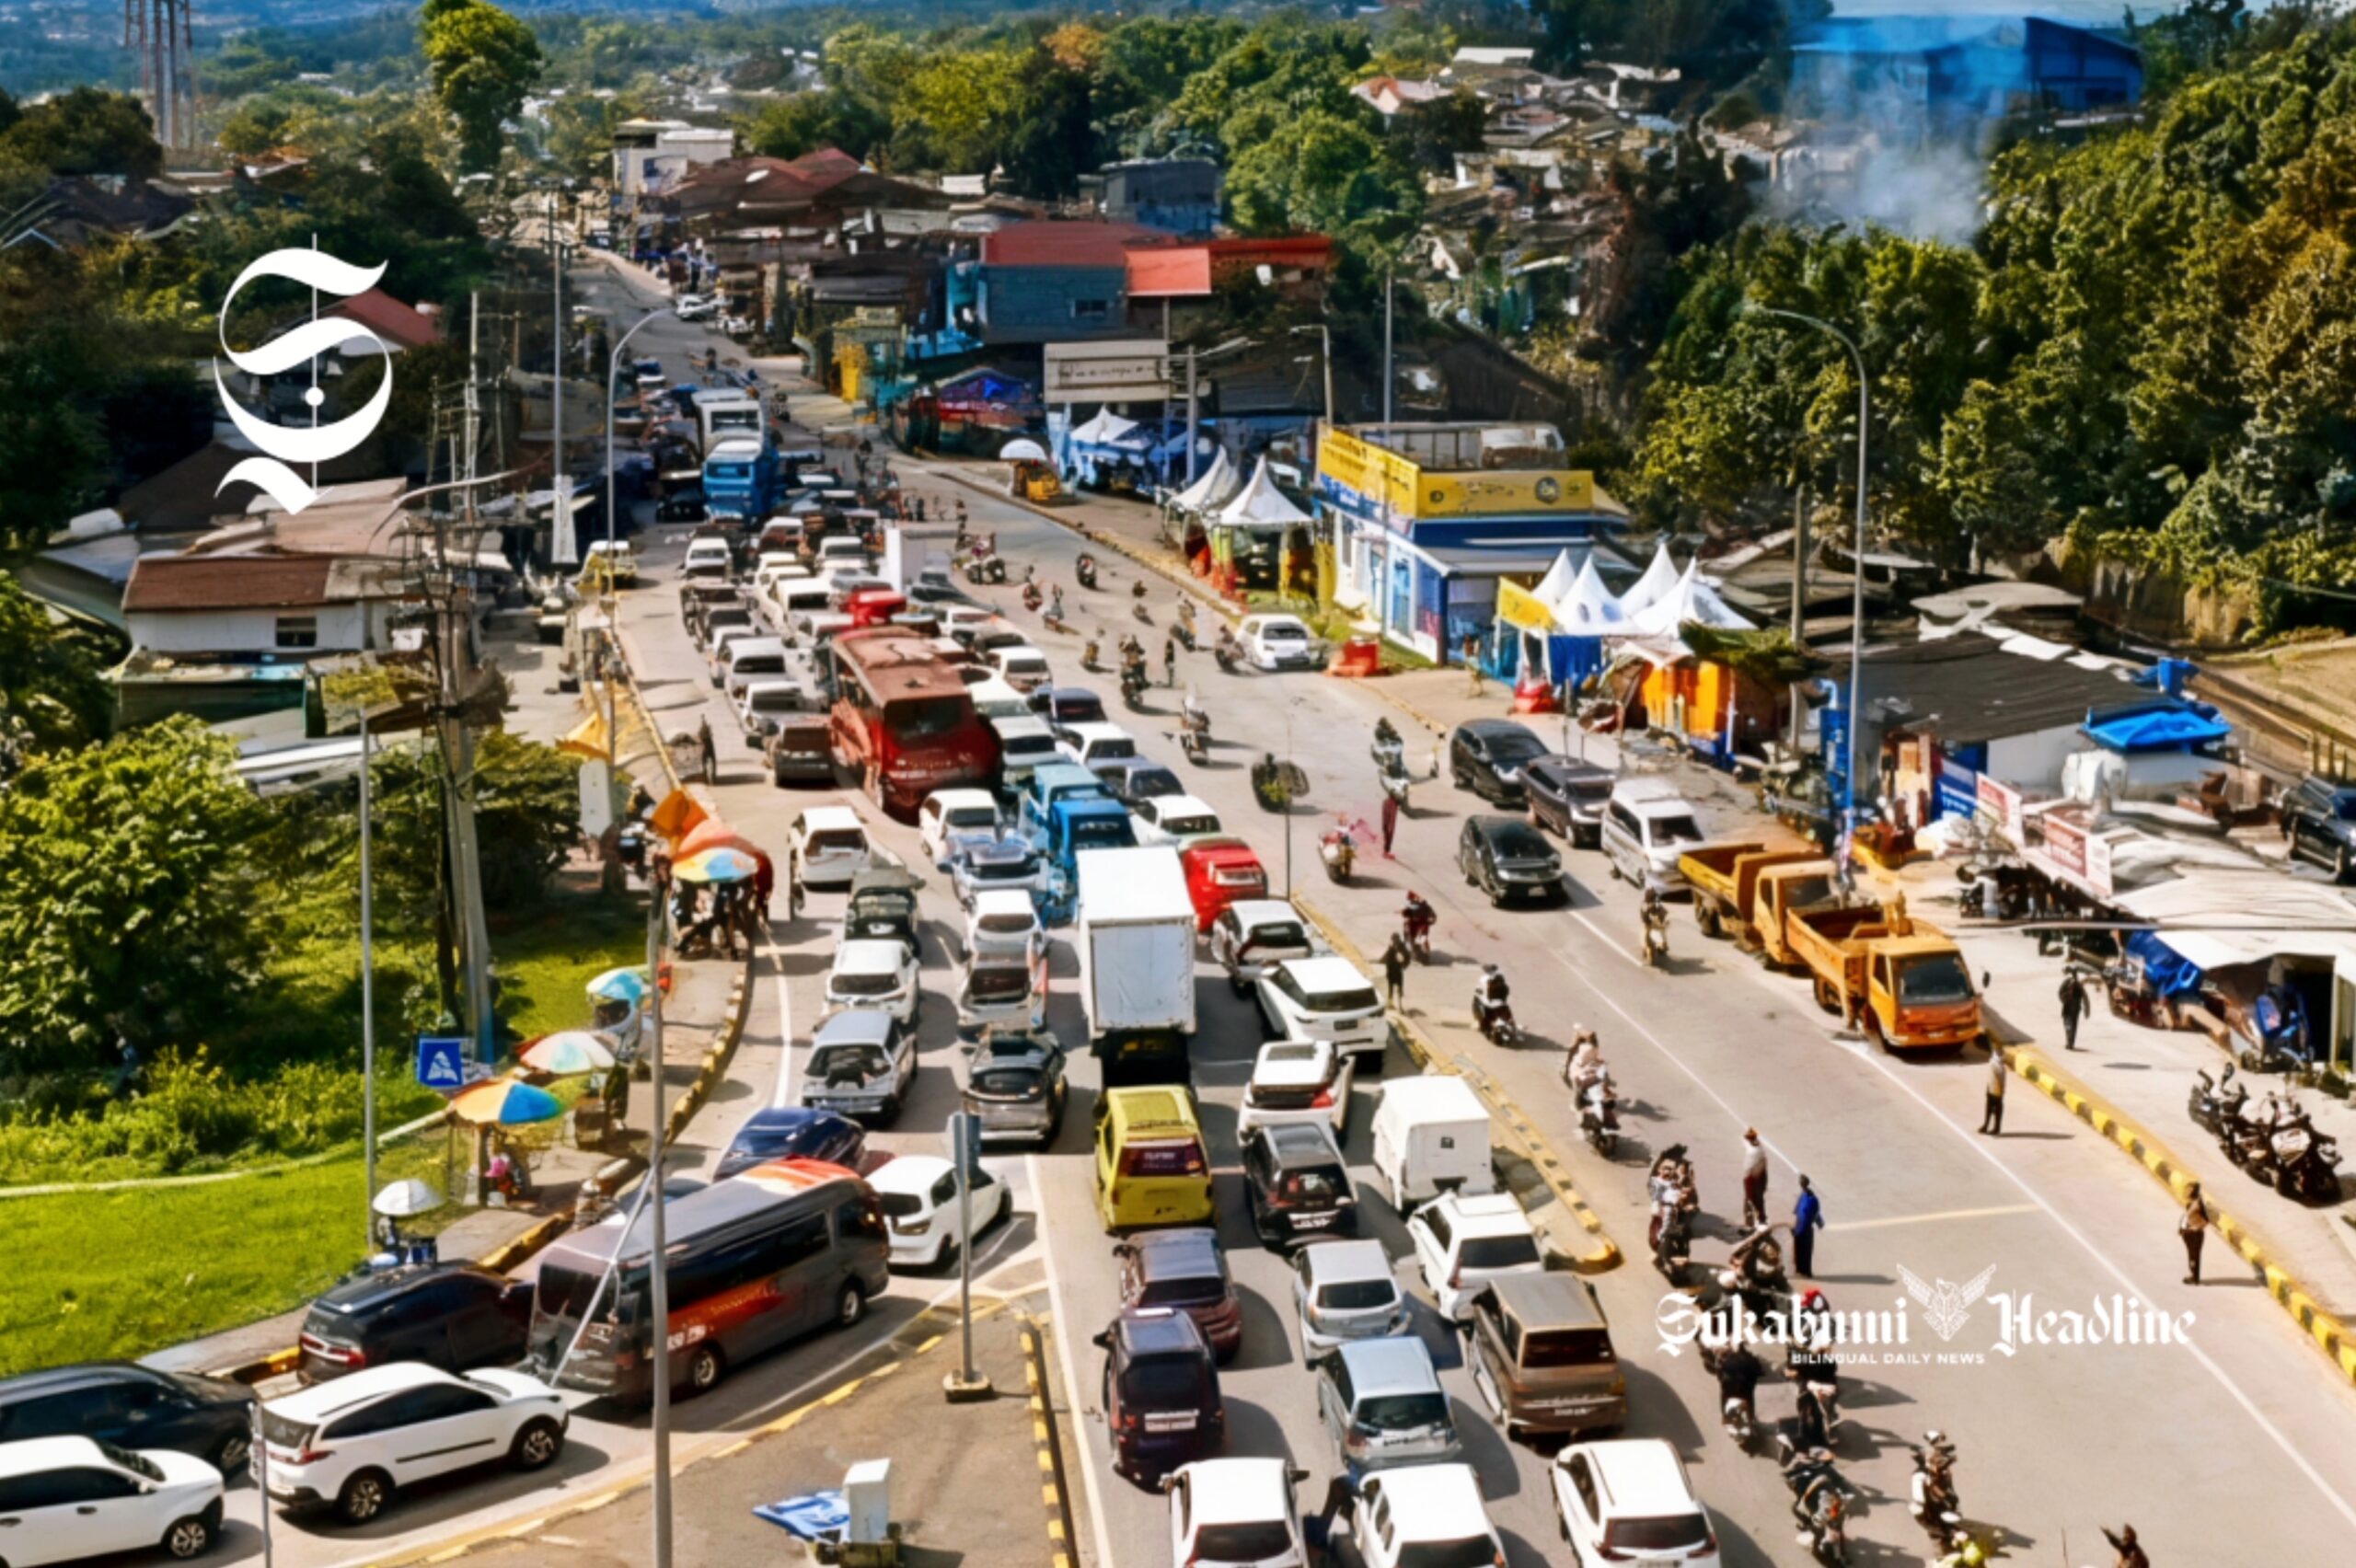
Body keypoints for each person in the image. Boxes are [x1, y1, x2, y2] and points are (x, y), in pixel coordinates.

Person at [1714, 1341, 1764, 1425]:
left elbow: (1720, 1370)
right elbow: (1760, 1372)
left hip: (1730, 1389)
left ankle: (1725, 1416)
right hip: (1746, 1389)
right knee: (1750, 1398)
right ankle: (1751, 1418)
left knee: (1723, 1395)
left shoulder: (1727, 1358)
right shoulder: (1751, 1358)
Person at [1793, 1174, 1825, 1279]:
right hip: (1806, 1229)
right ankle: (1806, 1271)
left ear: (1801, 1184)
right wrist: (1820, 1224)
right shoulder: (1813, 1198)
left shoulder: (1802, 1197)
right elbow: (1816, 1214)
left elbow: (1797, 1213)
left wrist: (1794, 1227)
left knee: (1800, 1250)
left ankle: (1801, 1270)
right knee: (1806, 1251)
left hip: (1800, 1228)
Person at [1740, 1127, 1769, 1228]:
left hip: (1753, 1177)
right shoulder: (1759, 1147)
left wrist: (1753, 1173)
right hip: (1755, 1176)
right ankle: (1759, 1219)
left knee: (1752, 1200)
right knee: (1756, 1200)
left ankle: (1753, 1221)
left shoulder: (1753, 1151)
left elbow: (1759, 1165)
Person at [2180, 1182, 2208, 1284]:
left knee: (2194, 1255)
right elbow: (2188, 1217)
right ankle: (2193, 1275)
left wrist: (2196, 1227)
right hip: (2189, 1232)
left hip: (2195, 1234)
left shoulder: (2198, 1204)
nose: (2186, 1192)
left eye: (2189, 1190)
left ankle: (2195, 1277)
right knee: (2192, 1255)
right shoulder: (2191, 1203)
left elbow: (2206, 1220)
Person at [2061, 968, 2088, 1050]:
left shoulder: (2075, 985)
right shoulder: (2070, 983)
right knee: (2071, 1026)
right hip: (2071, 1008)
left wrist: (2086, 1010)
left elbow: (2085, 998)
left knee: (2070, 1025)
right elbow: (2085, 998)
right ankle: (2070, 1043)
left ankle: (2070, 1043)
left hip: (2072, 1009)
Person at [1981, 1050, 2006, 1136]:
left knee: (1994, 1108)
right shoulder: (1997, 1064)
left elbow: (2001, 1080)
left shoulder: (1998, 1065)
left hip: (1995, 1090)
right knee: (1990, 1107)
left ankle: (1995, 1127)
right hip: (1992, 1088)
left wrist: (2001, 1089)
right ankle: (1988, 1126)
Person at [1381, 933, 1410, 1009]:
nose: (1395, 941)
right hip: (1391, 970)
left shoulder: (1402, 947)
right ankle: (1390, 1004)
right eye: (1394, 939)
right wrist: (1387, 970)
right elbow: (1387, 958)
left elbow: (1407, 957)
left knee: (1399, 988)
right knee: (1390, 988)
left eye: (1396, 939)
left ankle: (1400, 1005)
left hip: (1398, 971)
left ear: (1398, 939)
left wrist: (1404, 965)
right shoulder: (1391, 947)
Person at [697, 715, 717, 786]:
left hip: (705, 743)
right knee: (709, 762)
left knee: (705, 762)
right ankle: (709, 778)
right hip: (707, 743)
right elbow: (710, 735)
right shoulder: (705, 730)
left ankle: (707, 779)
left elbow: (700, 736)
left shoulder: (702, 730)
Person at [1380, 790, 1400, 858]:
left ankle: (1385, 851)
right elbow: (1392, 817)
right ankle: (1386, 852)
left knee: (1385, 834)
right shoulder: (1393, 804)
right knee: (1389, 835)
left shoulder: (1385, 801)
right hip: (1389, 824)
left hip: (1385, 822)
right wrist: (1390, 827)